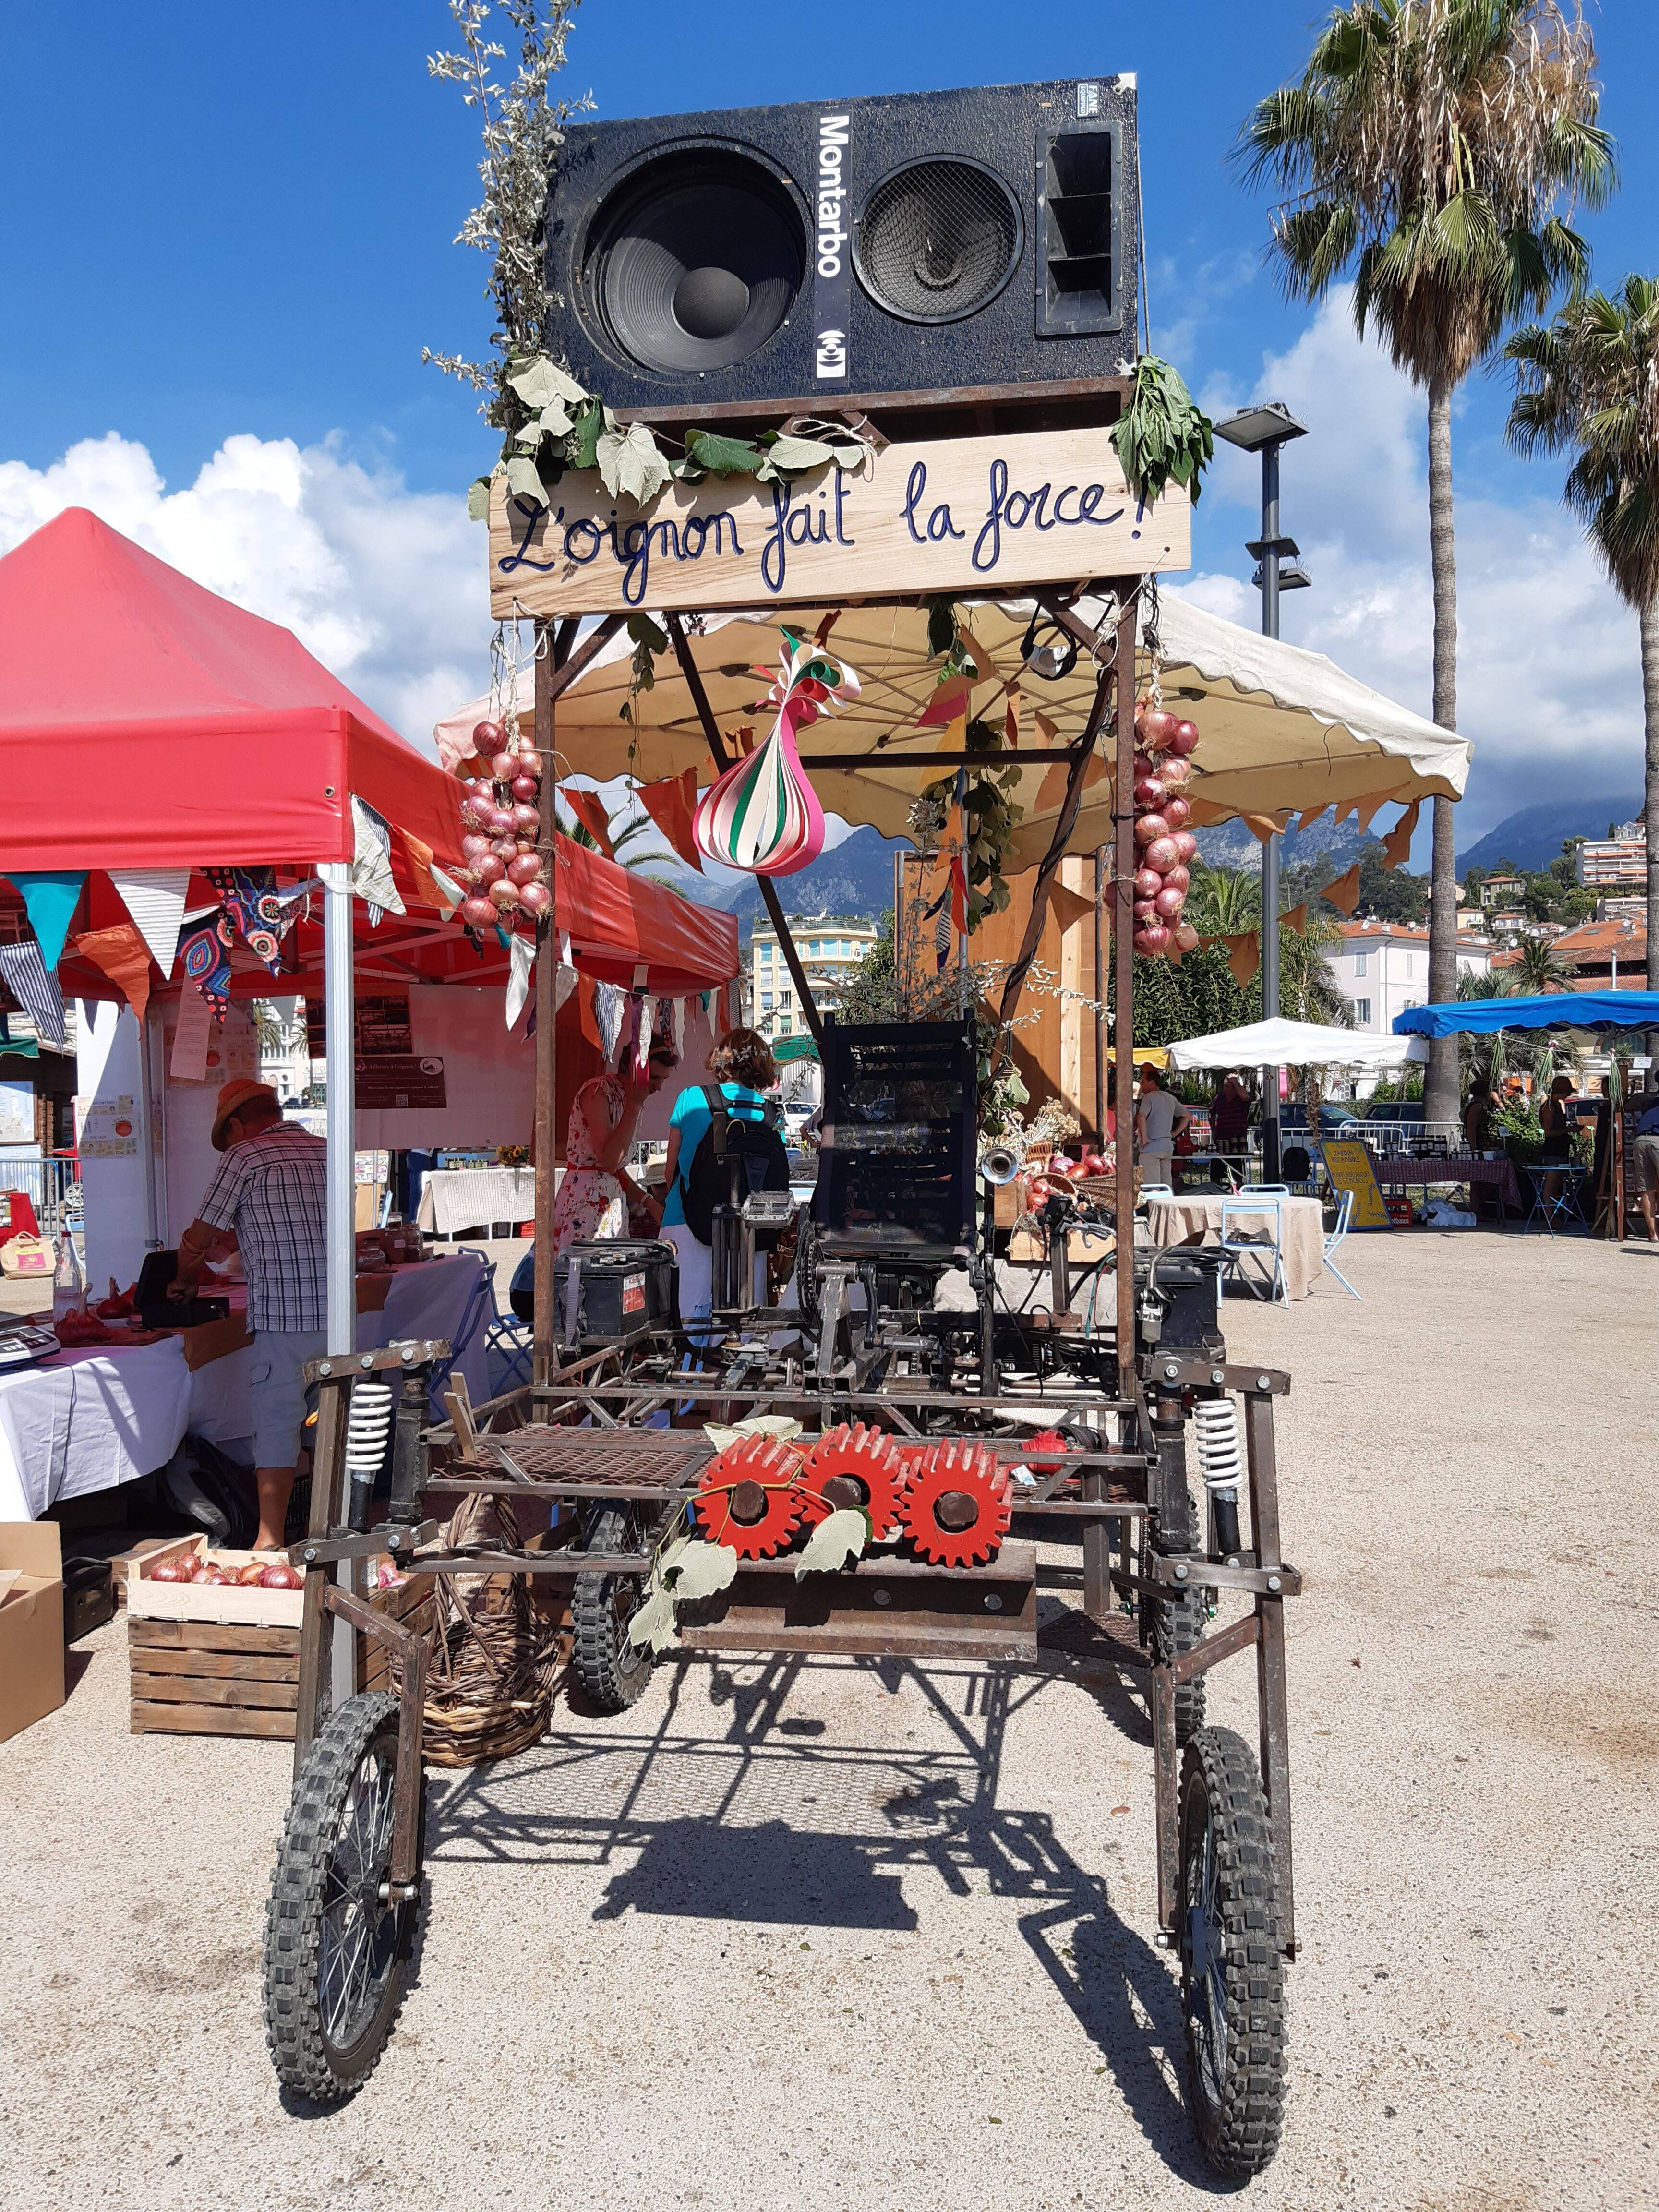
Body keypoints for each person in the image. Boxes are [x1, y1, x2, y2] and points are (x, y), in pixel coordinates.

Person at [169, 1080, 326, 1551]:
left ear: (237, 1125)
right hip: (340, 1317)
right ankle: (333, 1526)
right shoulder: (327, 1151)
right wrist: (241, 1243)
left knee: (278, 1424)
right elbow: (307, 1223)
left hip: (284, 1314)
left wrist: (186, 1274)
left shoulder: (245, 1157)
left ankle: (270, 1539)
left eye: (230, 1134)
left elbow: (200, 1233)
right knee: (331, 1422)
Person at [660, 1027, 779, 1323]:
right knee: (743, 1327)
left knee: (686, 1324)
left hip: (687, 1220)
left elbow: (670, 1171)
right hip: (748, 1229)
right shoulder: (769, 1113)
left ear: (721, 1059)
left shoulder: (691, 1098)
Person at [552, 1034, 678, 1253]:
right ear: (635, 1071)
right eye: (654, 1078)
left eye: (663, 1080)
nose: (658, 1087)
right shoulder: (598, 1091)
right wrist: (635, 1105)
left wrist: (649, 1202)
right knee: (582, 1274)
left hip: (611, 1200)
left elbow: (615, 1170)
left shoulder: (628, 1099)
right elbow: (609, 1161)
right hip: (585, 1200)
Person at [1134, 1064, 1190, 1190]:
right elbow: (1187, 1115)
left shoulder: (1148, 1097)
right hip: (1167, 1146)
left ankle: (1153, 1210)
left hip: (1151, 1147)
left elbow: (1141, 1117)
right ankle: (1168, 1210)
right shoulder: (1170, 1098)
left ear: (1152, 1083)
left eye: (1143, 1081)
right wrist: (1175, 1133)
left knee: (1153, 1187)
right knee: (1167, 1186)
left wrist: (1144, 1138)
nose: (1141, 1085)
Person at [1539, 1072, 1576, 1204]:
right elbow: (1548, 1132)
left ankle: (1553, 1215)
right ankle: (1550, 1217)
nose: (1568, 1096)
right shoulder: (1549, 1107)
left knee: (1557, 1185)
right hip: (1553, 1150)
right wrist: (1569, 1130)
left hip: (1561, 1148)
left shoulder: (1558, 1105)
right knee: (1551, 1185)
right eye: (1567, 1093)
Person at [1633, 1088, 1659, 1242]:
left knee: (1646, 1189)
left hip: (1640, 1140)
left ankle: (1653, 1234)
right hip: (1657, 1139)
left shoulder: (1650, 1102)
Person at [1211, 1072, 1250, 1158]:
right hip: (1222, 1138)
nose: (1225, 1089)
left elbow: (1246, 1097)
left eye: (1228, 1087)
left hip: (1238, 1139)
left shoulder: (1241, 1099)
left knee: (1237, 1165)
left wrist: (1235, 1081)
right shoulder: (1219, 1098)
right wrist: (1214, 1130)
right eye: (1225, 1086)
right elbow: (1212, 1115)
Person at [1463, 1072, 1493, 1154]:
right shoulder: (1477, 1106)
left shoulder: (1480, 1105)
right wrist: (1473, 1148)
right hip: (1478, 1145)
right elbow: (1471, 1127)